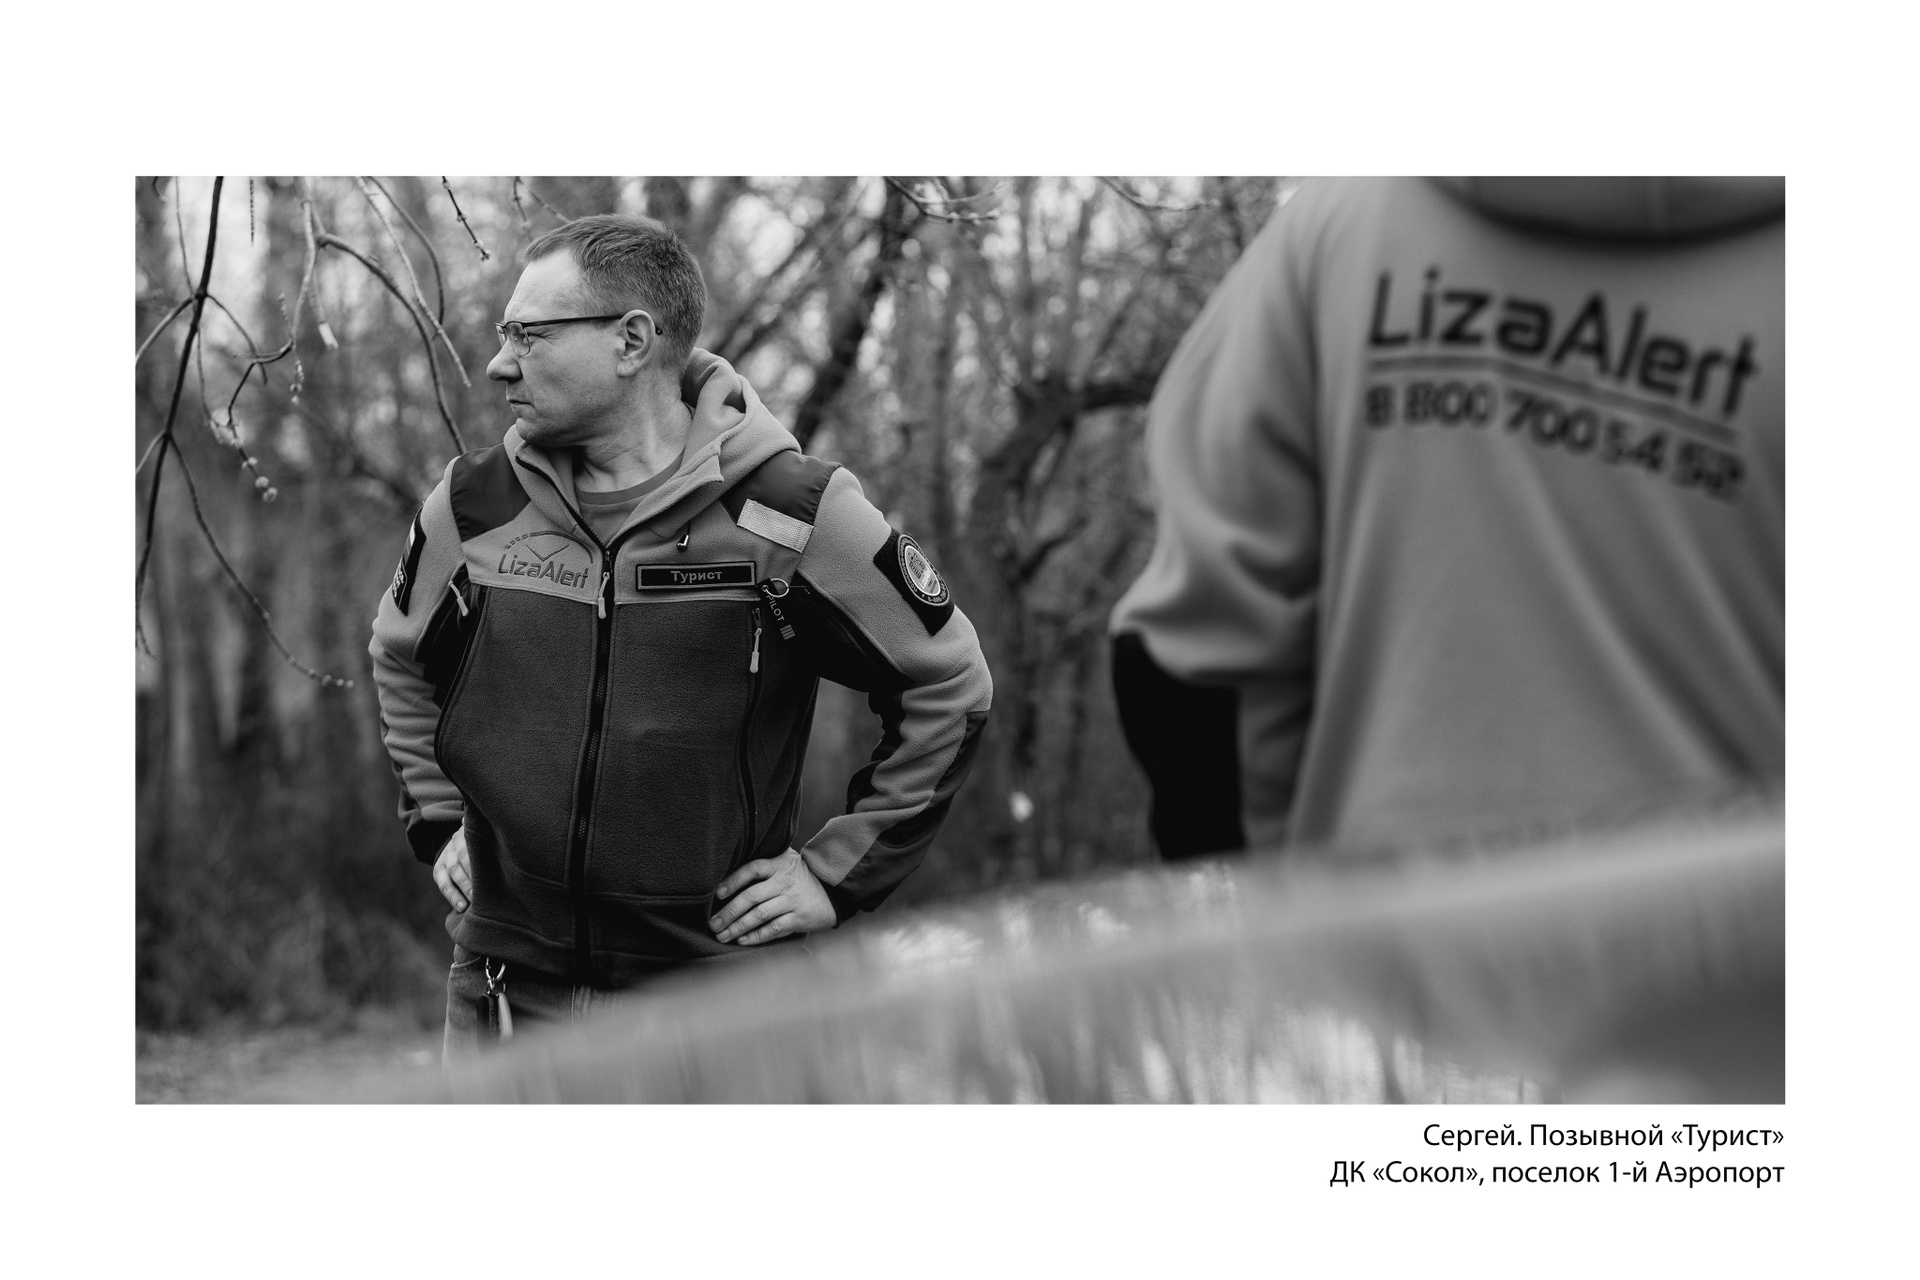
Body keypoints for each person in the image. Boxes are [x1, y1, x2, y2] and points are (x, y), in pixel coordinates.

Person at [369, 215, 992, 1058]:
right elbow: (400, 658)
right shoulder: (474, 503)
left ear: (631, 341)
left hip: (720, 1015)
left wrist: (835, 873)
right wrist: (440, 819)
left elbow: (949, 685)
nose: (499, 362)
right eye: (505, 334)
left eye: (530, 335)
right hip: (505, 999)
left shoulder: (788, 512)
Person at [1110, 178, 1783, 859]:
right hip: (1727, 922)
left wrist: (1277, 899)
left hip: (1386, 914)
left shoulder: (1345, 224)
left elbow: (1193, 647)